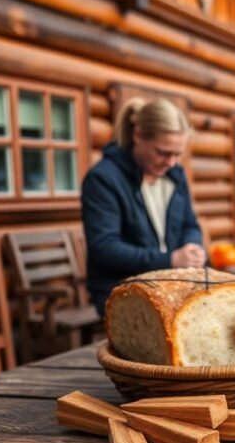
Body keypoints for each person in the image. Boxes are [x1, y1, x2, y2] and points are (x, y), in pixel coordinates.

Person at [82, 97, 206, 315]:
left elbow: (190, 224)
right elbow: (105, 248)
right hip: (121, 291)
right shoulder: (103, 179)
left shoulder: (176, 175)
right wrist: (171, 260)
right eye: (163, 152)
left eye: (178, 154)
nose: (171, 163)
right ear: (138, 135)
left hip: (171, 285)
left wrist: (192, 248)